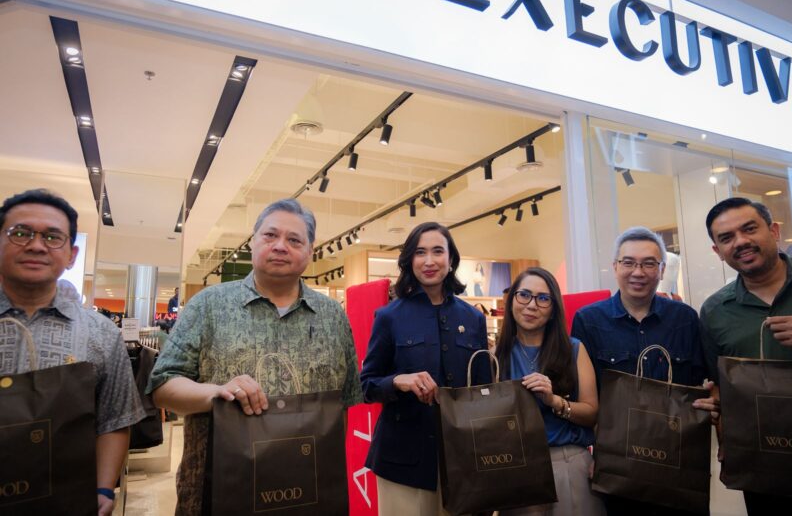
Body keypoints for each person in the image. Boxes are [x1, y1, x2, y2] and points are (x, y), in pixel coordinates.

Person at [147, 198, 361, 515]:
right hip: (220, 490)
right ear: (252, 243)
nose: (280, 246)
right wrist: (215, 393)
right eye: (270, 235)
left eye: (294, 240)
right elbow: (162, 387)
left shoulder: (332, 316)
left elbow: (344, 402)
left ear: (310, 252)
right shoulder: (209, 306)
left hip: (310, 491)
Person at [0, 189, 145, 516]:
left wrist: (104, 488)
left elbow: (114, 419)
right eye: (20, 233)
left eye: (52, 237)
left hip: (67, 501)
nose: (36, 245)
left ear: (71, 256)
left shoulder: (102, 333)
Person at [571, 226, 710, 515]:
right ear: (615, 267)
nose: (638, 272)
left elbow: (700, 385)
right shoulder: (589, 320)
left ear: (661, 270)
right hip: (619, 460)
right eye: (629, 262)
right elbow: (587, 394)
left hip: (678, 457)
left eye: (649, 263)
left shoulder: (685, 318)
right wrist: (601, 454)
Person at [360, 222, 491, 516]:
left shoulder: (472, 319)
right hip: (402, 461)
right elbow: (366, 385)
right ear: (409, 260)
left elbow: (485, 389)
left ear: (451, 259)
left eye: (437, 251)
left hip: (460, 459)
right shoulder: (389, 317)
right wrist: (398, 381)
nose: (429, 261)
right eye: (420, 252)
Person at [700, 197, 792, 513]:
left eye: (749, 229)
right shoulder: (715, 312)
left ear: (774, 230)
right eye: (726, 238)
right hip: (764, 463)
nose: (740, 242)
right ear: (718, 251)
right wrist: (726, 441)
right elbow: (719, 387)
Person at [494, 267, 604, 516]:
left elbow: (591, 413)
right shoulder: (496, 357)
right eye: (524, 295)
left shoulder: (574, 350)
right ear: (511, 301)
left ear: (554, 308)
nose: (532, 305)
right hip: (515, 470)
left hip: (567, 463)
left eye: (543, 298)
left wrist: (554, 401)